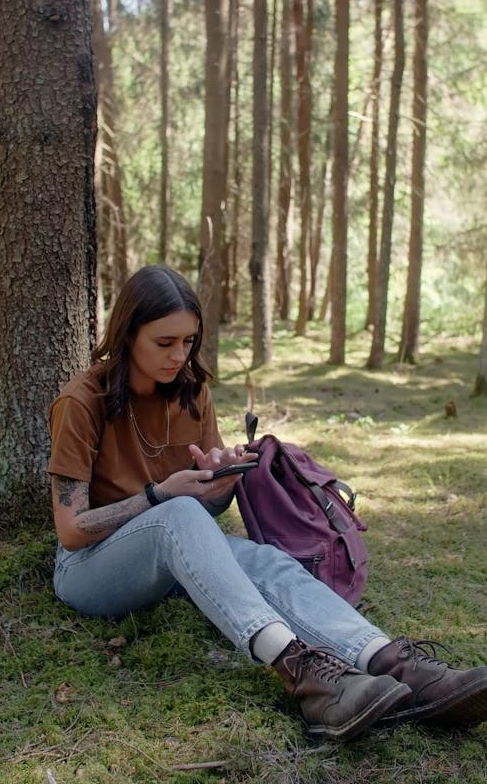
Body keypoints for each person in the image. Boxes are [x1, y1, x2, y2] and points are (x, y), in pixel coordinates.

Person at [48, 265, 487, 743]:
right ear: (128, 334)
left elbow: (205, 513)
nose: (180, 355)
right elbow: (71, 530)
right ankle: (304, 676)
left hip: (171, 558)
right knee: (177, 513)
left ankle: (397, 666)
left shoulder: (193, 394)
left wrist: (218, 480)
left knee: (265, 560)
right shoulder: (82, 402)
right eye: (164, 343)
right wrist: (162, 494)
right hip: (90, 570)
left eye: (189, 341)